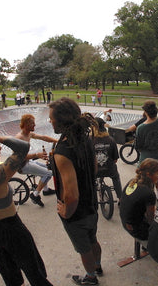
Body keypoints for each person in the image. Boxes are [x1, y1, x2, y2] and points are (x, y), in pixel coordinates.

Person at [0, 120, 52, 286]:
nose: (0, 148)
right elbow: (22, 148)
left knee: (11, 278)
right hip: (13, 229)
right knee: (36, 274)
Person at [48, 98, 102, 285]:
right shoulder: (85, 138)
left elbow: (71, 195)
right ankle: (98, 265)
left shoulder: (62, 152)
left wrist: (66, 212)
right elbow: (94, 168)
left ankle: (91, 277)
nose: (49, 121)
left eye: (51, 119)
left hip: (77, 214)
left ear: (61, 121)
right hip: (92, 205)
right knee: (92, 239)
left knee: (83, 248)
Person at [15, 114, 58, 207]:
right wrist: (36, 155)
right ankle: (35, 194)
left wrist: (57, 141)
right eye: (32, 124)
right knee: (49, 173)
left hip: (27, 162)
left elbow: (43, 137)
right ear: (26, 124)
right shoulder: (19, 138)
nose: (34, 125)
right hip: (22, 165)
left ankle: (46, 190)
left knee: (48, 168)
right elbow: (20, 157)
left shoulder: (29, 134)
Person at [120, 158, 158, 240]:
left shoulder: (132, 182)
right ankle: (147, 248)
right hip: (136, 230)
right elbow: (151, 220)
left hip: (125, 223)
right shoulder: (149, 193)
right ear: (149, 174)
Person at [92, 117, 122, 200]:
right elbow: (115, 159)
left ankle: (91, 199)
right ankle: (120, 197)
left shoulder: (89, 140)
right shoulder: (111, 140)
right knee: (116, 177)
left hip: (94, 171)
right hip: (109, 169)